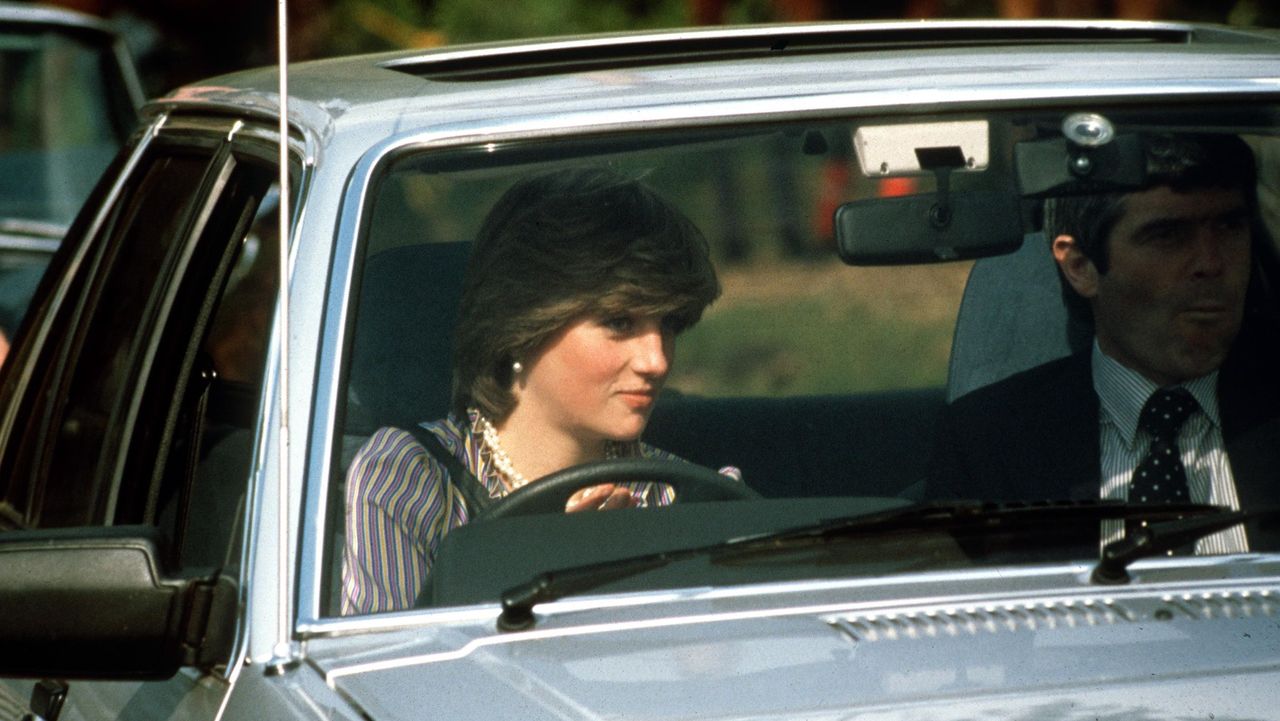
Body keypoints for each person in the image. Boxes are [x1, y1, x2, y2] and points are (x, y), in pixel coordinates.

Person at [341, 167, 736, 615]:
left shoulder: (688, 498)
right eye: (619, 322)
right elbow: (390, 674)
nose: (657, 361)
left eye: (668, 324)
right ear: (522, 326)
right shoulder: (411, 478)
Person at [928, 133, 1280, 553]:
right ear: (1080, 267)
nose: (1210, 263)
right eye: (1168, 236)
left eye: (1229, 227)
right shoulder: (991, 440)